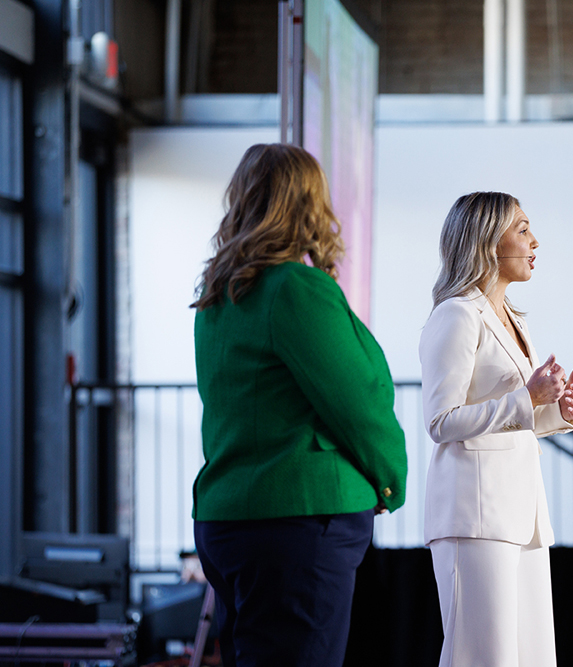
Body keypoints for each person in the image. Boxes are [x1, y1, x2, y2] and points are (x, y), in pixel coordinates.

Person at [190, 143, 407, 667]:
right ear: (309, 204)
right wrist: (389, 482)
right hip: (298, 523)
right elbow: (358, 403)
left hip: (227, 519)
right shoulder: (295, 289)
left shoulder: (219, 296)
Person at [419, 192, 573, 667]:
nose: (535, 241)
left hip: (523, 518)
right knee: (482, 659)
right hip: (474, 518)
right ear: (487, 242)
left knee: (533, 658)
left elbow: (515, 418)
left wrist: (558, 410)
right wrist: (527, 398)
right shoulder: (455, 314)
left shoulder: (512, 318)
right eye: (523, 229)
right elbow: (440, 421)